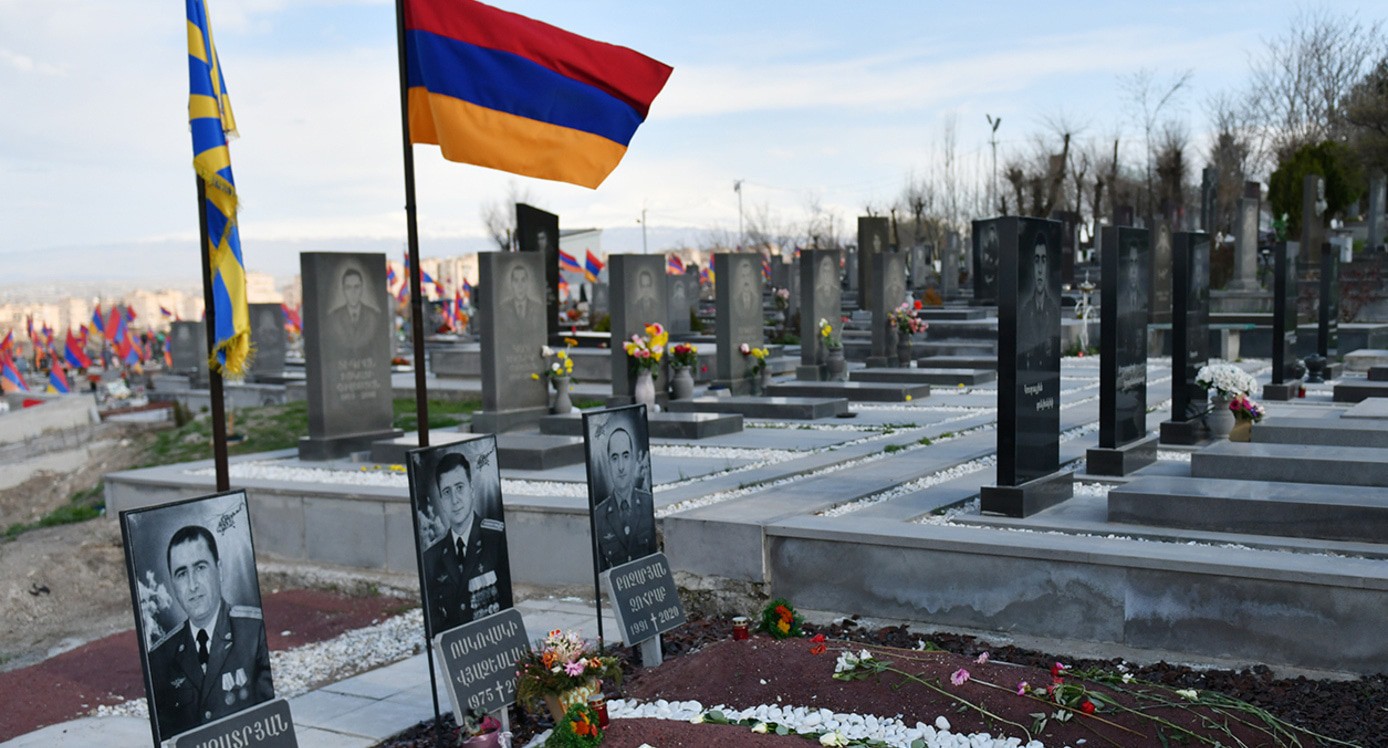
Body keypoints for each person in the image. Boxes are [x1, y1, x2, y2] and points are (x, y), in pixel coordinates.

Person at [147, 525, 273, 740]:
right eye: (181, 573)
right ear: (173, 585)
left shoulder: (254, 633)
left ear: (219, 570)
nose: (192, 585)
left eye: (200, 568)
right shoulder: (160, 658)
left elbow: (271, 725)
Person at [418, 450, 511, 634]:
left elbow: (507, 607)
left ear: (472, 490)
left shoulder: (495, 539)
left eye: (459, 488)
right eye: (447, 492)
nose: (455, 500)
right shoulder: (431, 558)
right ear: (441, 501)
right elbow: (436, 624)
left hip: (493, 637)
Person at [593, 425, 655, 570]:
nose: (621, 467)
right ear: (608, 464)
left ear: (633, 459)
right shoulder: (599, 516)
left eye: (626, 456)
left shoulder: (648, 503)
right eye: (615, 458)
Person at [327, 267, 384, 356]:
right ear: (343, 290)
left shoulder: (374, 316)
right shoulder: (334, 318)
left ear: (362, 288)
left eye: (356, 287)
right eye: (348, 287)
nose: (353, 292)